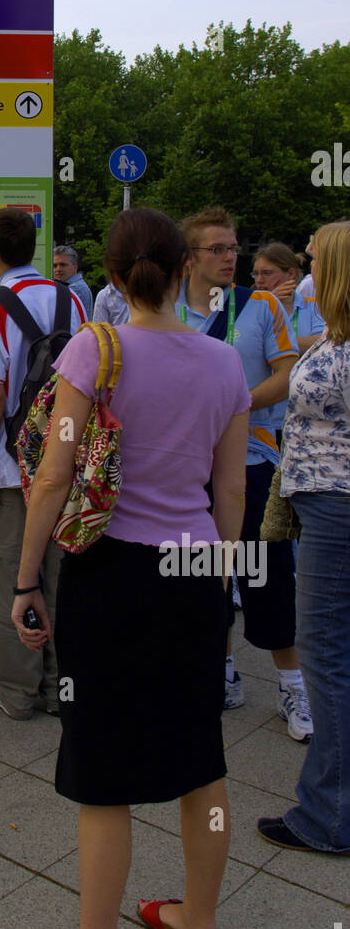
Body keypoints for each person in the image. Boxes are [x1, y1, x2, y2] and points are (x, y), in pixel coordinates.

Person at [13, 208, 249, 929]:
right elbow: (232, 487)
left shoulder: (95, 348)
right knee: (199, 758)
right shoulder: (224, 362)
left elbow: (54, 474)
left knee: (101, 770)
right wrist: (221, 575)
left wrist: (25, 583)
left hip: (109, 571)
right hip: (193, 572)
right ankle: (199, 925)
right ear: (184, 269)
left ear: (111, 276)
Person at [177, 208, 311, 738]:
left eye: (234, 248)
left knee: (267, 575)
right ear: (189, 259)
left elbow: (288, 374)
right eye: (218, 250)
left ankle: (294, 689)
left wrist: (235, 406)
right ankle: (222, 671)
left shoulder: (260, 307)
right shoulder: (165, 309)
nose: (231, 258)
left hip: (253, 465)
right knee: (204, 574)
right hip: (189, 470)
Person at [0, 208, 86, 719]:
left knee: (14, 574)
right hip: (65, 463)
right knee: (60, 578)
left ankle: (17, 691)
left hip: (15, 470)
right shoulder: (73, 299)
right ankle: (62, 688)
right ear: (34, 248)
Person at [259, 221, 350, 854]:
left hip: (337, 507)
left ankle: (329, 816)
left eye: (314, 259)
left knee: (326, 653)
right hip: (319, 502)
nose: (303, 272)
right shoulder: (331, 333)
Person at [252, 242, 324, 356]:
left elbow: (322, 343)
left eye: (267, 273)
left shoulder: (313, 307)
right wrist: (268, 302)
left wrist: (269, 342)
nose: (259, 280)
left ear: (291, 274)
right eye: (256, 274)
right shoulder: (250, 306)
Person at [52, 245, 93, 318]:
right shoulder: (67, 287)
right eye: (55, 266)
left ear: (75, 267)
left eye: (63, 265)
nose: (58, 269)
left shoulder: (76, 289)